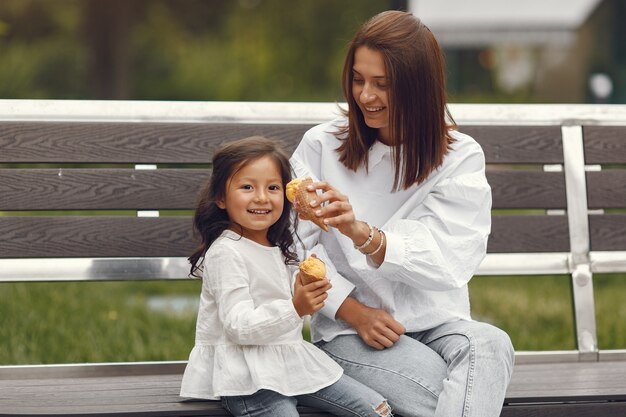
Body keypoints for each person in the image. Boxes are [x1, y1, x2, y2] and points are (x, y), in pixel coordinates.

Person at [290, 10, 514, 417]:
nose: (365, 96)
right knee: (446, 394)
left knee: (491, 344)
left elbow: (449, 261)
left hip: (437, 324)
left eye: (383, 84)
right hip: (350, 331)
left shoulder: (459, 157)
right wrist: (353, 312)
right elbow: (293, 251)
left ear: (418, 89)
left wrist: (362, 234)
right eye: (358, 80)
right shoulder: (320, 147)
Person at [179, 136, 392, 417]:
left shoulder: (279, 246)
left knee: (376, 409)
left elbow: (287, 298)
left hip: (290, 362)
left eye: (273, 187)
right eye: (247, 187)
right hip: (247, 377)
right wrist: (296, 308)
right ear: (221, 197)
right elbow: (238, 326)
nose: (261, 197)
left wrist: (307, 287)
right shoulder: (226, 253)